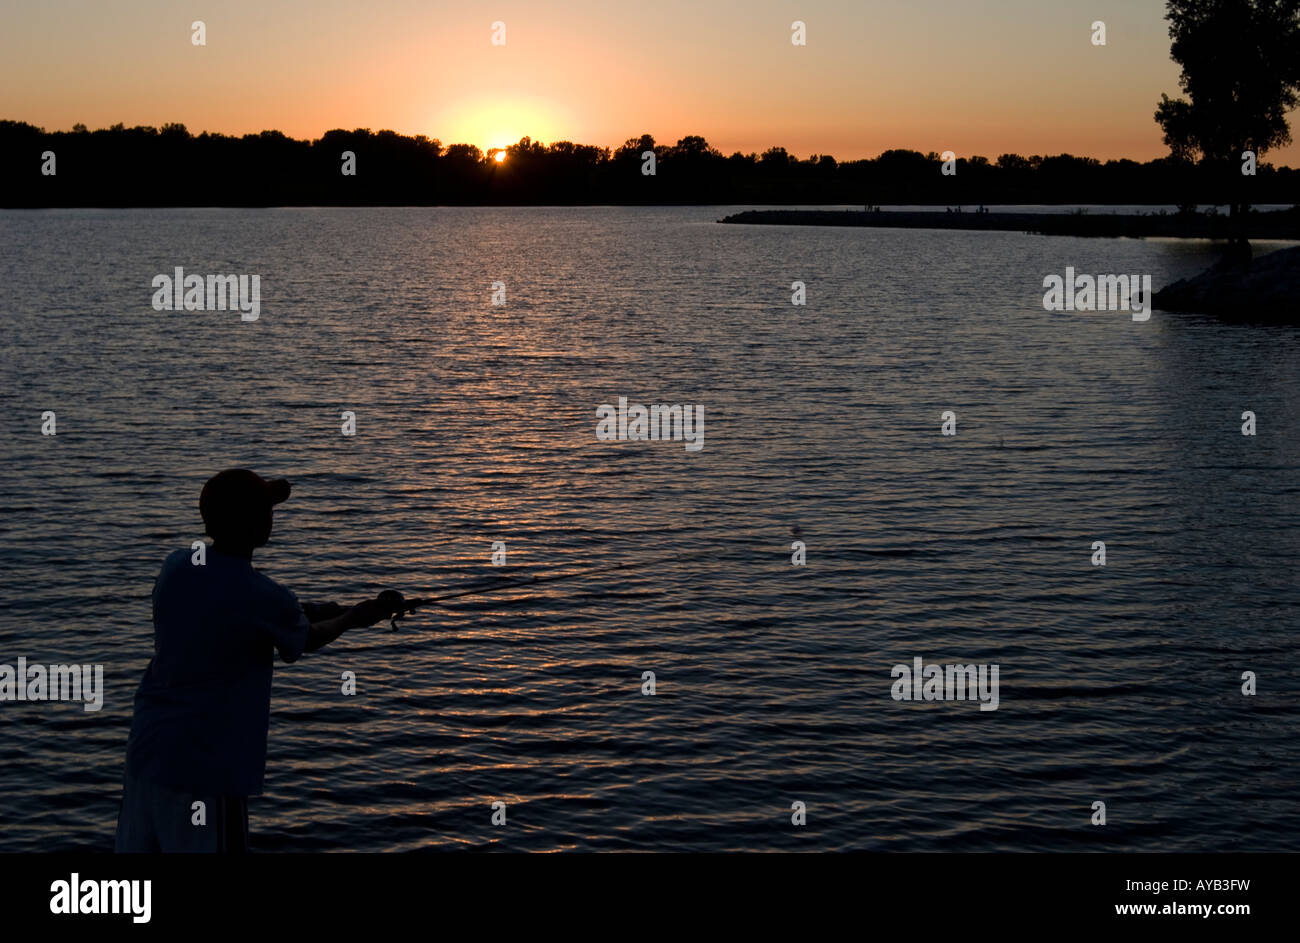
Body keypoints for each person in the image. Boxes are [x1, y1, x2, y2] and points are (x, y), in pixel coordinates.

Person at [114, 469, 395, 852]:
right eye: (266, 510)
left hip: (147, 757)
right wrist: (354, 617)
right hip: (205, 771)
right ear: (255, 522)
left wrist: (342, 608)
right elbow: (303, 638)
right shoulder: (262, 595)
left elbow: (258, 612)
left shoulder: (177, 566)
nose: (271, 517)